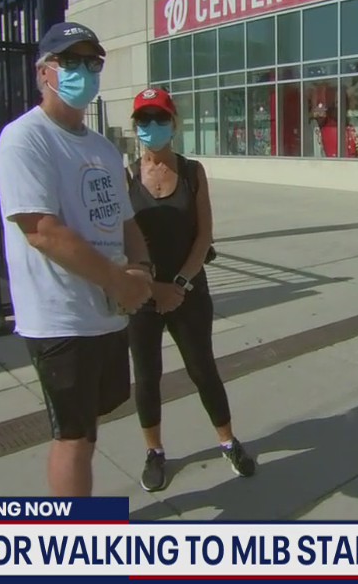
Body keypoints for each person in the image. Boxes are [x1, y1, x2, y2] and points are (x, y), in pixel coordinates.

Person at [0, 22, 154, 497]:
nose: (85, 71)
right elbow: (41, 231)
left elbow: (125, 221)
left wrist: (140, 269)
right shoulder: (24, 140)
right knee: (73, 437)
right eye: (73, 62)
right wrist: (117, 282)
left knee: (90, 428)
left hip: (105, 315)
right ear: (45, 72)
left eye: (93, 63)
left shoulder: (102, 147)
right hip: (61, 320)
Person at [124, 87, 257, 492]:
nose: (152, 127)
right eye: (144, 120)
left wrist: (179, 283)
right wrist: (149, 286)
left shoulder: (192, 171)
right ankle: (155, 452)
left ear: (175, 124)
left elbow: (204, 236)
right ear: (135, 127)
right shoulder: (126, 176)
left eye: (160, 119)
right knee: (147, 377)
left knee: (203, 370)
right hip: (143, 295)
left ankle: (227, 440)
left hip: (188, 291)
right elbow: (122, 237)